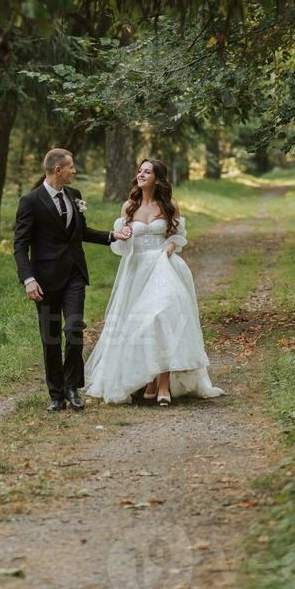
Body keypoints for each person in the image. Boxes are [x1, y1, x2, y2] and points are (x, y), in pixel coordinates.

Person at [85, 158, 225, 406]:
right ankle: (146, 379)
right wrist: (124, 236)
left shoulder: (170, 205)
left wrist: (170, 247)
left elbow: (178, 237)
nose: (141, 175)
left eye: (147, 172)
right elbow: (121, 245)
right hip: (137, 271)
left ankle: (163, 385)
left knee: (163, 319)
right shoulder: (129, 207)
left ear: (158, 178)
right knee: (139, 325)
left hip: (164, 268)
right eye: (139, 170)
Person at [13, 148, 132, 412]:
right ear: (58, 170)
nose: (74, 171)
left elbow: (81, 232)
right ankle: (56, 394)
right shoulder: (30, 201)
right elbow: (20, 246)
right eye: (71, 167)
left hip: (74, 276)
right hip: (44, 281)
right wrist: (28, 279)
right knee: (51, 337)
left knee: (74, 330)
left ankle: (72, 387)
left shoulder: (74, 196)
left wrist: (113, 236)